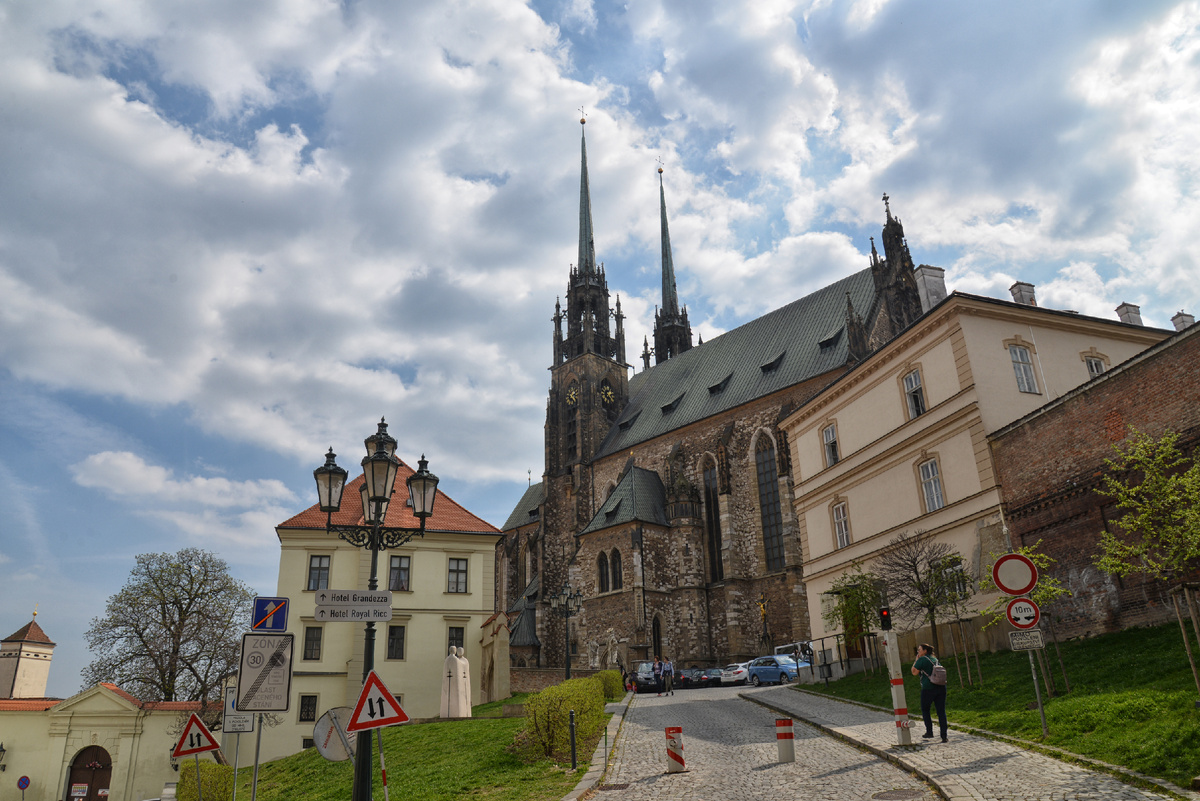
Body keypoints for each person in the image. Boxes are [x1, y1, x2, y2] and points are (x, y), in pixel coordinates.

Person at [911, 643, 947, 742]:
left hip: (928, 688)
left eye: (919, 650)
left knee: (925, 709)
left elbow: (914, 672)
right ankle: (944, 736)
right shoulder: (935, 659)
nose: (918, 652)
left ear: (925, 650)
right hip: (941, 687)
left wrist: (916, 660)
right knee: (941, 712)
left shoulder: (922, 659)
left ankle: (929, 732)